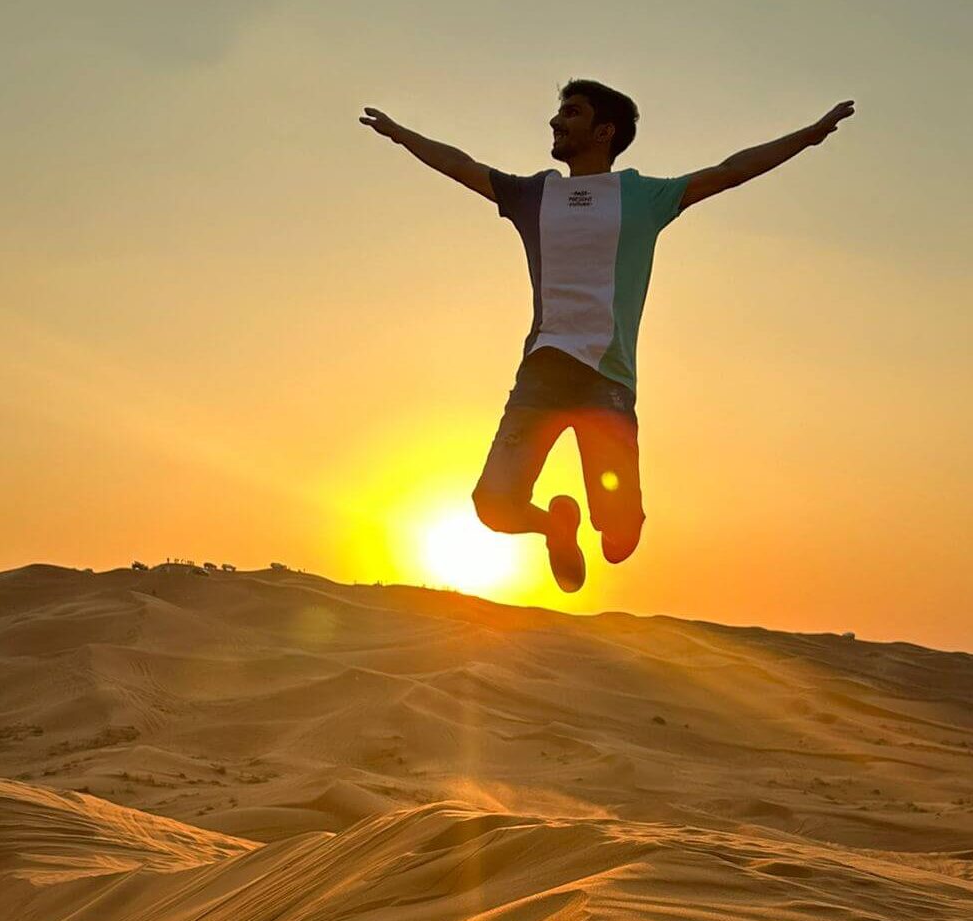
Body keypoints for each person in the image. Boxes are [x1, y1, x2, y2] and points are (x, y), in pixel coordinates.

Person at [360, 80, 854, 592]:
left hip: (608, 383)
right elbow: (459, 164)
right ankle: (555, 527)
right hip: (543, 373)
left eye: (570, 112)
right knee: (494, 507)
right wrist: (399, 135)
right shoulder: (534, 194)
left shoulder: (644, 196)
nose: (556, 121)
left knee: (619, 542)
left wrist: (810, 136)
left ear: (604, 131)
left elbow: (731, 170)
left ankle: (598, 525)